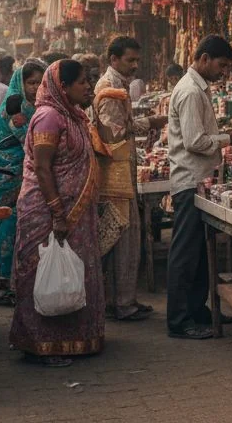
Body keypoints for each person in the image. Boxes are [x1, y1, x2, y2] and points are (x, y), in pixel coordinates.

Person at [9, 60, 104, 366]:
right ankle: (42, 343)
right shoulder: (49, 117)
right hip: (49, 210)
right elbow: (41, 167)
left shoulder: (73, 115)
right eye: (82, 83)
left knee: (73, 271)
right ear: (62, 88)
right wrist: (57, 213)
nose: (88, 87)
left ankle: (75, 337)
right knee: (44, 273)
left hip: (74, 209)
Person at [167, 36, 232, 340]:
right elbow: (195, 142)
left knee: (199, 252)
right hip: (189, 180)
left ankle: (197, 310)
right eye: (222, 65)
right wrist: (229, 139)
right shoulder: (190, 92)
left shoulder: (197, 89)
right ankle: (179, 319)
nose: (224, 72)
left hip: (198, 180)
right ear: (203, 59)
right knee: (186, 252)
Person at [92, 37, 168, 322]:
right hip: (116, 173)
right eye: (130, 60)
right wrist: (149, 123)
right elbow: (114, 135)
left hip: (120, 170)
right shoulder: (110, 89)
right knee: (124, 235)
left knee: (122, 235)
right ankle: (123, 303)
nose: (135, 65)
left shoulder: (116, 86)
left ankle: (120, 299)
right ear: (113, 60)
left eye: (136, 60)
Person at [0, 60, 45, 301]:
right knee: (8, 220)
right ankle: (1, 279)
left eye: (39, 83)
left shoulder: (34, 104)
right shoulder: (15, 104)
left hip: (25, 167)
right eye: (31, 82)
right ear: (20, 82)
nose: (35, 87)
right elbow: (26, 139)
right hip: (8, 170)